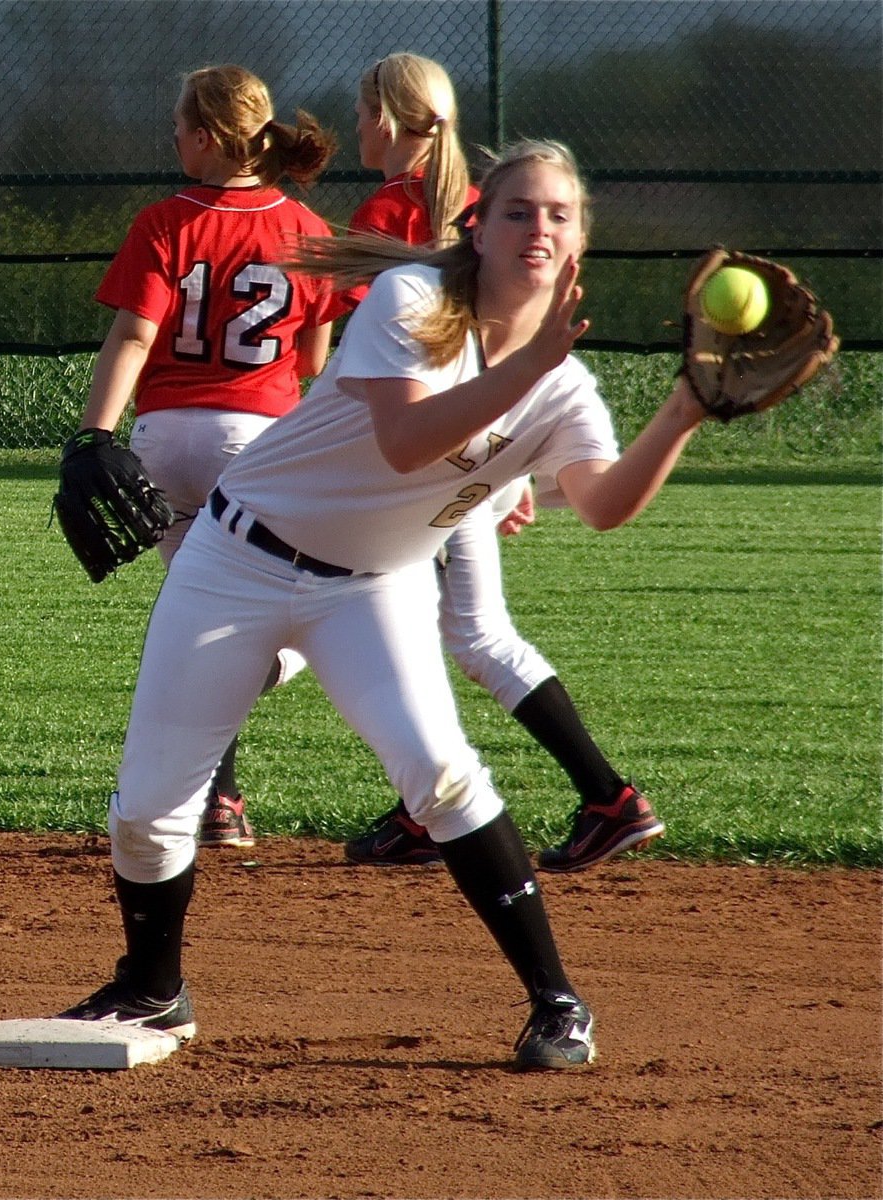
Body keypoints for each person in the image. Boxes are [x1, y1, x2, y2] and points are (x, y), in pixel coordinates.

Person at [57, 137, 711, 1070]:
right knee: (149, 810)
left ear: (579, 246)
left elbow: (604, 505)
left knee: (441, 775)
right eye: (518, 210)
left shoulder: (564, 388)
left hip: (374, 592)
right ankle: (152, 988)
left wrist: (682, 412)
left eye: (559, 215)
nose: (539, 227)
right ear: (477, 226)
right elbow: (406, 441)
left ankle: (556, 1003)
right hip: (233, 564)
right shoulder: (413, 302)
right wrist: (527, 378)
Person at [339, 53, 662, 870]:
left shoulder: (399, 206)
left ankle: (583, 795)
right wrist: (504, 469)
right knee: (450, 630)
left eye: (363, 109)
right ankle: (445, 800)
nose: (535, 230)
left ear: (385, 119)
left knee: (446, 630)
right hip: (456, 461)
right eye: (523, 215)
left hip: (405, 475)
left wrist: (501, 469)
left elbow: (409, 386)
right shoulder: (448, 198)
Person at [71, 64, 339, 848]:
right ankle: (243, 717)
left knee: (202, 618)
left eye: (180, 126)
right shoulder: (307, 229)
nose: (173, 138)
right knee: (309, 617)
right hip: (254, 443)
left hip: (161, 444)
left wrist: (94, 433)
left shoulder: (163, 221)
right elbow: (314, 359)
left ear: (208, 138)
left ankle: (215, 800)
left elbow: (133, 336)